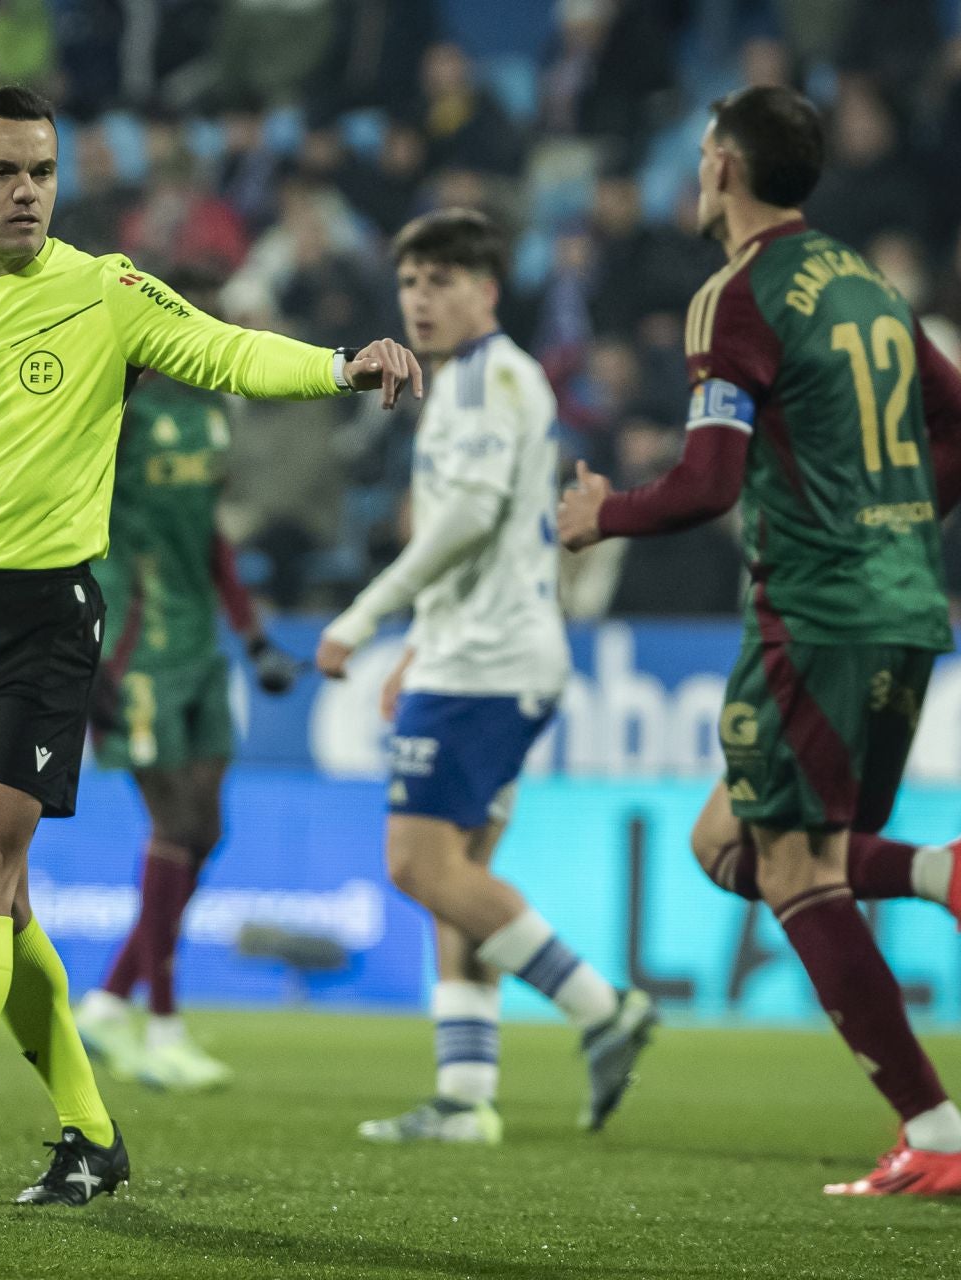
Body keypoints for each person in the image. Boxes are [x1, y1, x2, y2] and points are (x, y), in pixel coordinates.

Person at [0, 86, 422, 1211]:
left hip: (44, 614)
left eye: (41, 171)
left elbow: (225, 350)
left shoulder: (103, 289)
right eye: (0, 172)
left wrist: (339, 363)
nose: (25, 191)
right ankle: (90, 1137)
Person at [557, 87, 961, 1198]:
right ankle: (944, 868)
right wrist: (900, 526)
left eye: (701, 151)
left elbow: (708, 482)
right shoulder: (868, 282)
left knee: (795, 868)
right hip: (905, 604)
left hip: (814, 610)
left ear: (723, 165)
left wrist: (601, 514)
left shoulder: (736, 298)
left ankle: (938, 1130)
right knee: (731, 846)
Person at [316, 209, 655, 1146]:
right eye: (412, 282)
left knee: (416, 864)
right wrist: (423, 641)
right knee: (458, 876)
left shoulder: (486, 381)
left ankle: (602, 1009)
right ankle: (466, 1096)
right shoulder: (481, 380)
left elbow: (461, 523)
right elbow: (488, 540)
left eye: (443, 282)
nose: (421, 300)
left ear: (488, 291)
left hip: (488, 668)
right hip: (482, 653)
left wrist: (363, 617)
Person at [74, 273, 304, 1091]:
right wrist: (88, 650)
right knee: (176, 822)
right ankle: (163, 1023)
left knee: (205, 833)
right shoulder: (117, 410)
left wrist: (254, 637)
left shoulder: (211, 416)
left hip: (200, 650)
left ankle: (108, 1002)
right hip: (132, 652)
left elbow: (209, 537)